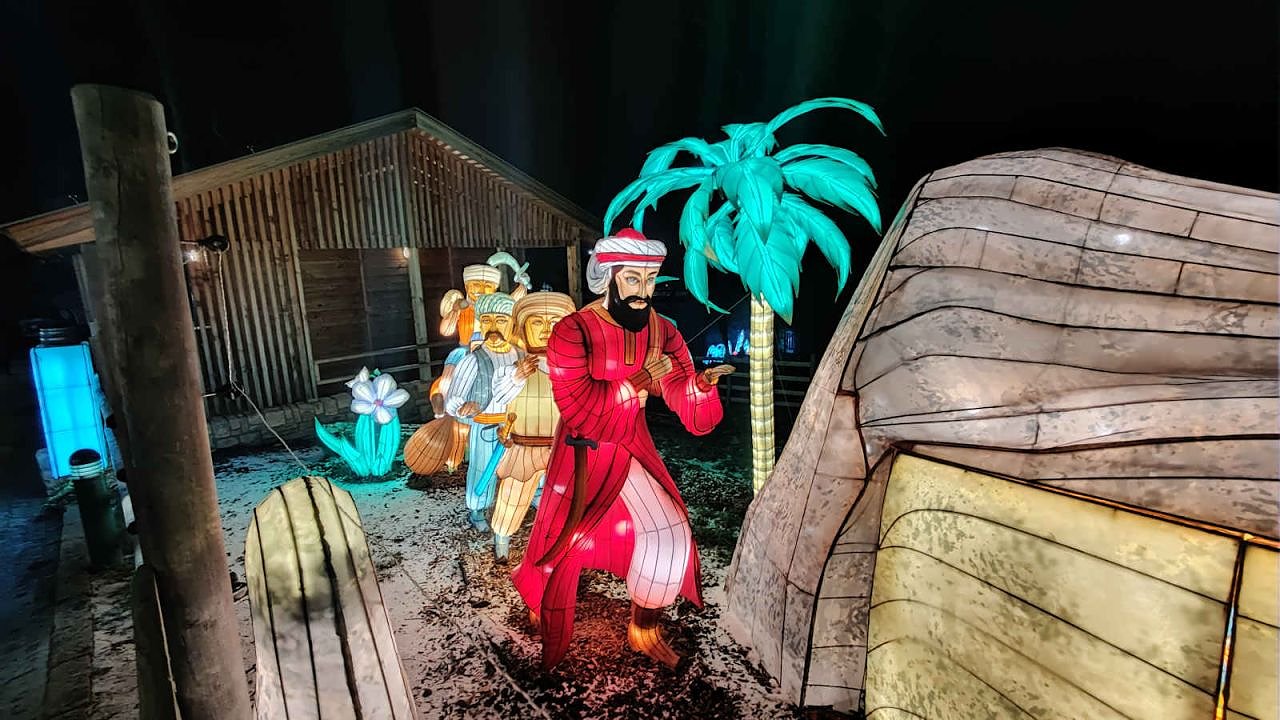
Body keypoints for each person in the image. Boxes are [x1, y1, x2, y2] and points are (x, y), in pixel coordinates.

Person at [512, 228, 735, 669]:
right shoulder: (572, 331)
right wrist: (637, 383)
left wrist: (701, 386)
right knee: (560, 540)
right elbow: (577, 405)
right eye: (632, 279)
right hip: (582, 452)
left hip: (632, 444)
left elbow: (680, 391)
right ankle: (540, 600)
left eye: (649, 280)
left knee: (670, 532)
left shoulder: (662, 331)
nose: (642, 292)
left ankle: (644, 627)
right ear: (608, 276)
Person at [487, 291, 576, 561]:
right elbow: (499, 396)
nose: (546, 330)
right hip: (524, 446)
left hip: (563, 448)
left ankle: (563, 546)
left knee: (566, 499)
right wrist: (516, 376)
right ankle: (502, 542)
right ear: (523, 327)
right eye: (537, 322)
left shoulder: (573, 368)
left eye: (555, 323)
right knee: (512, 497)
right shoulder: (511, 368)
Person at [444, 292, 522, 531]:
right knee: (482, 468)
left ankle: (529, 498)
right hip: (486, 426)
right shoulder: (472, 360)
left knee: (522, 465)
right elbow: (454, 396)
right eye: (487, 320)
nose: (493, 327)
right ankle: (478, 508)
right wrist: (462, 406)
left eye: (501, 320)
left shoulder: (522, 356)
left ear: (512, 323)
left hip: (518, 427)